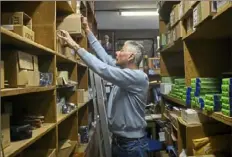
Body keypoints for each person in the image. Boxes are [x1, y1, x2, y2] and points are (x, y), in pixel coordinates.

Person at [57, 17, 149, 157]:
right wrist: (87, 31)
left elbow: (103, 69)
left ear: (130, 56)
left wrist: (75, 46)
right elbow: (105, 59)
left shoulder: (138, 78)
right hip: (120, 142)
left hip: (132, 146)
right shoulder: (124, 73)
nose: (117, 53)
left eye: (121, 50)